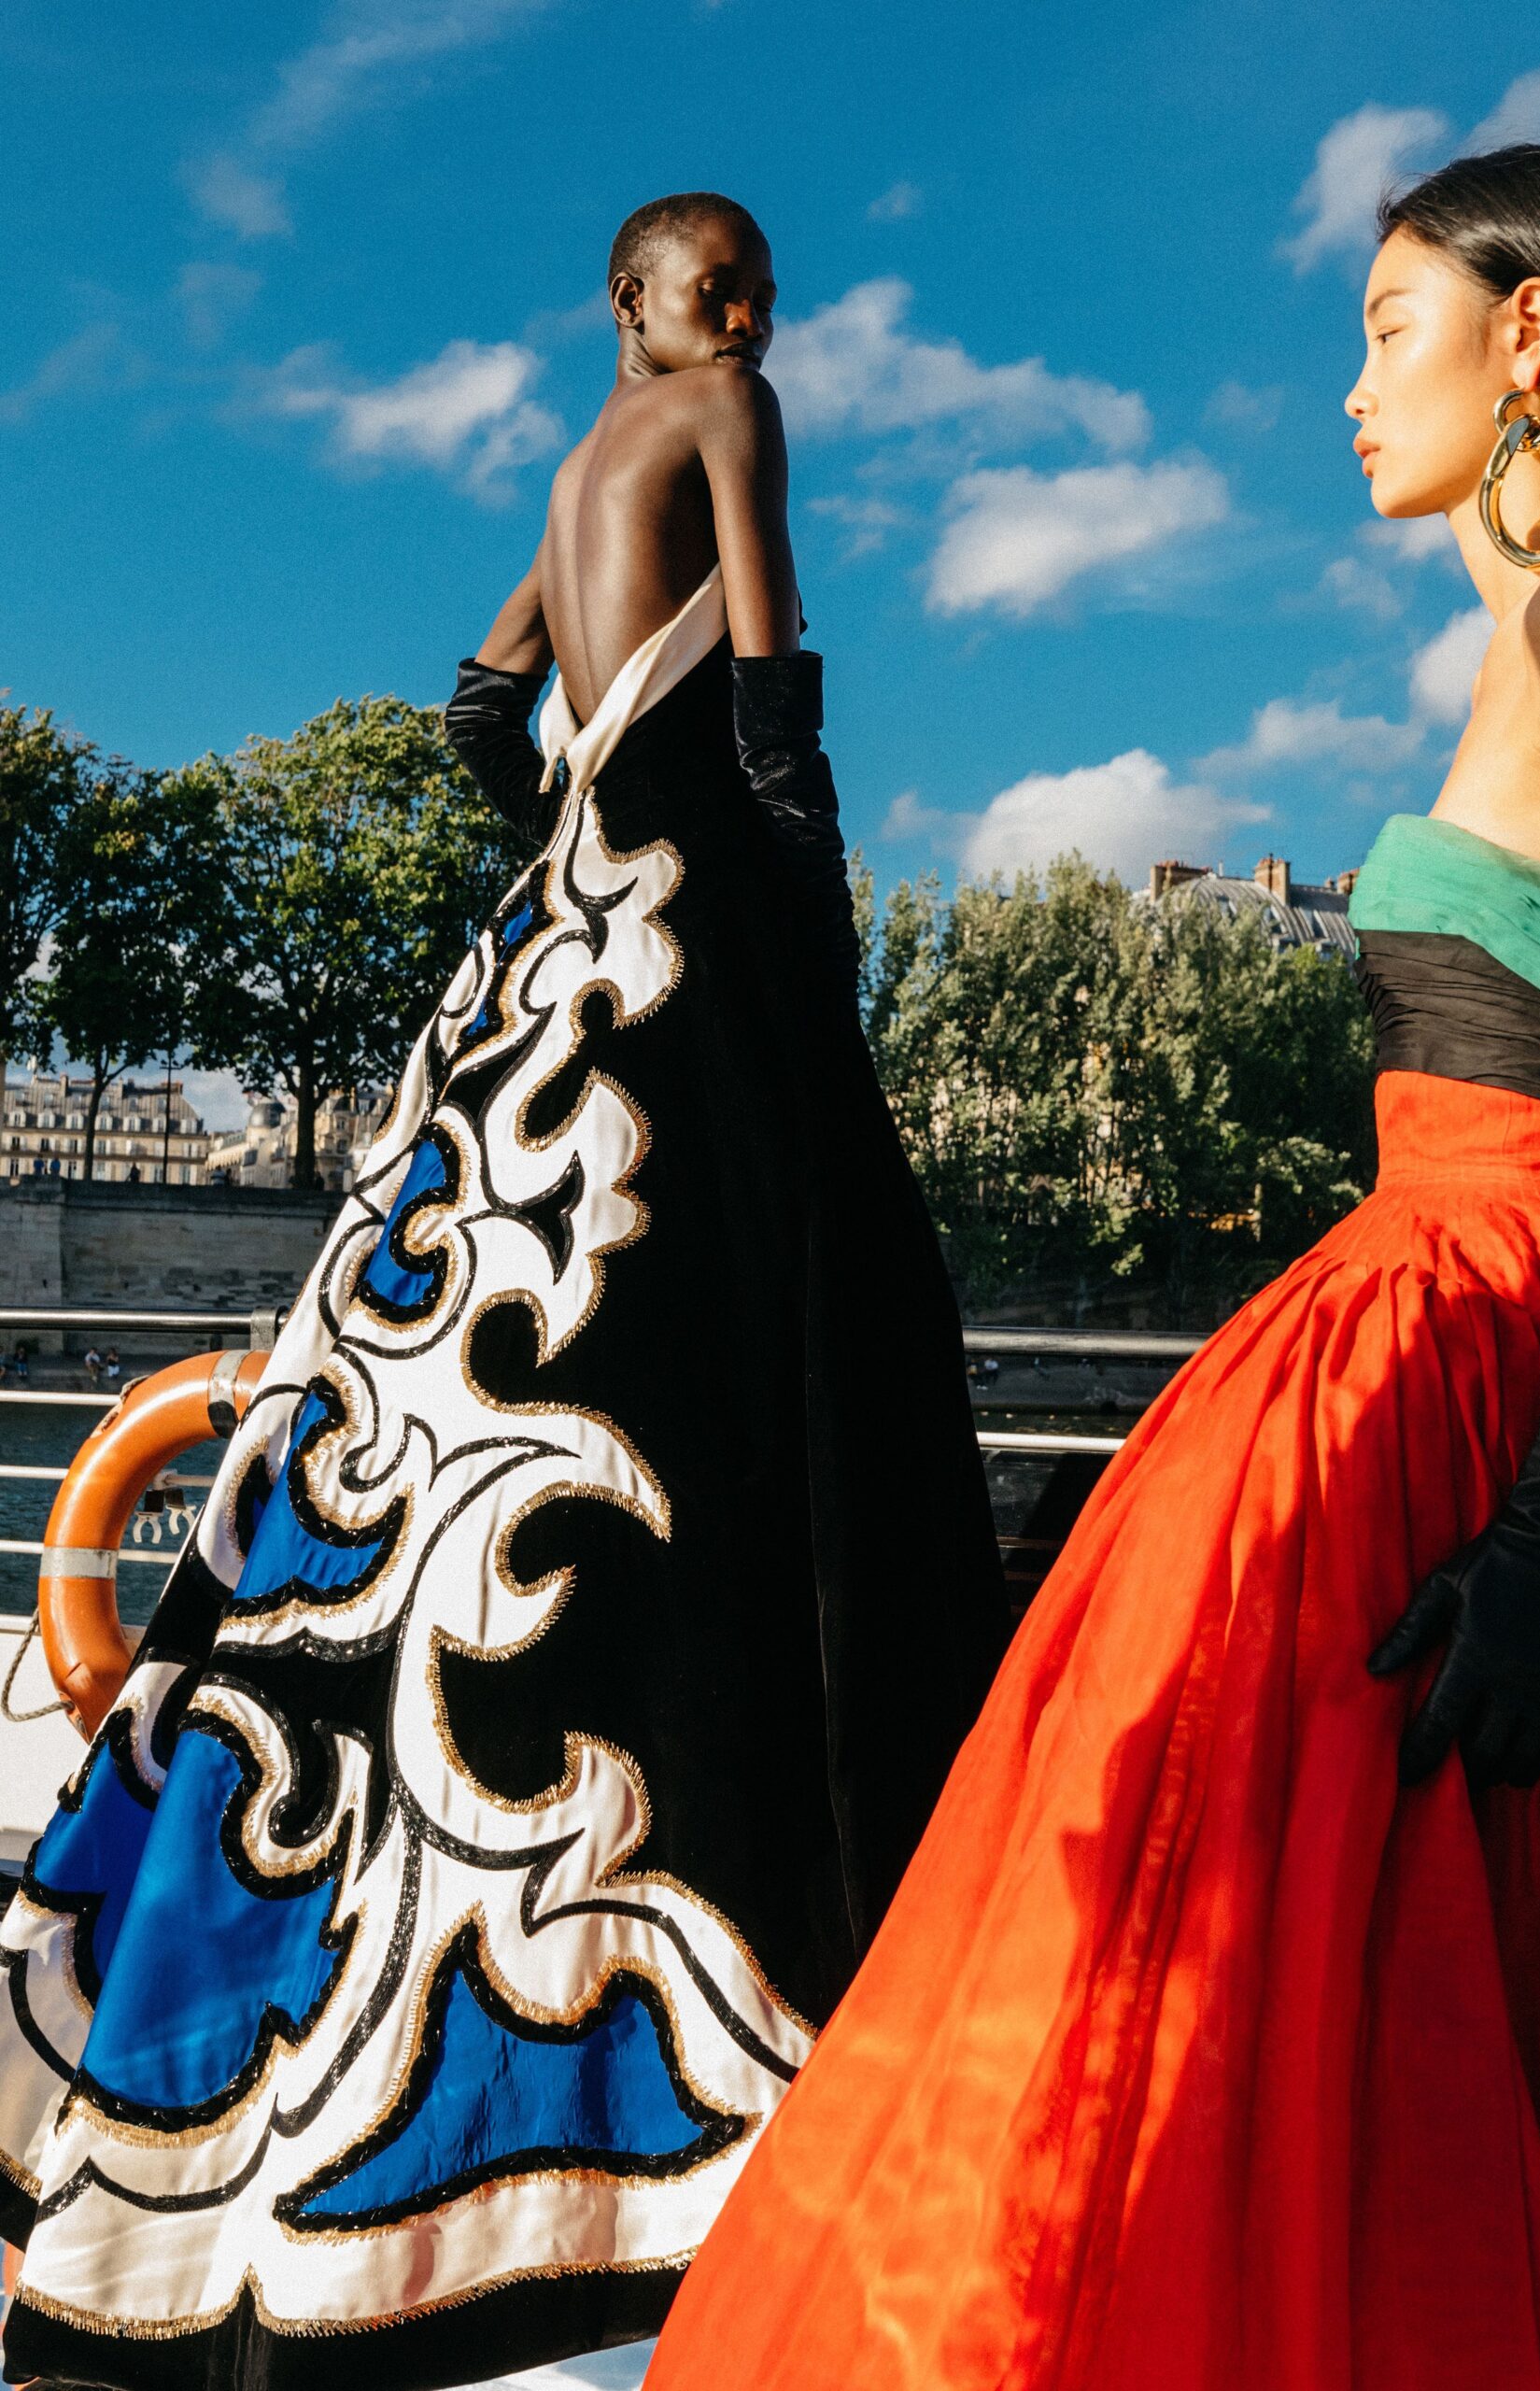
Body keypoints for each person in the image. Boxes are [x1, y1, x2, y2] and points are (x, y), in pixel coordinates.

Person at [0, 191, 1005, 2391]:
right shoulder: (728, 414)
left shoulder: (564, 471)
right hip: (686, 918)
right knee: (777, 1341)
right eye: (711, 291)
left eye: (750, 287)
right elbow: (766, 685)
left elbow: (472, 711)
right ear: (647, 315)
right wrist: (802, 929)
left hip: (542, 944)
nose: (742, 319)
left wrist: (557, 847)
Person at [642, 142, 1540, 2391]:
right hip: (1431, 1346)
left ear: (1525, 331)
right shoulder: (1526, 620)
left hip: (1490, 1372)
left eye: (1385, 326)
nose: (1349, 388)